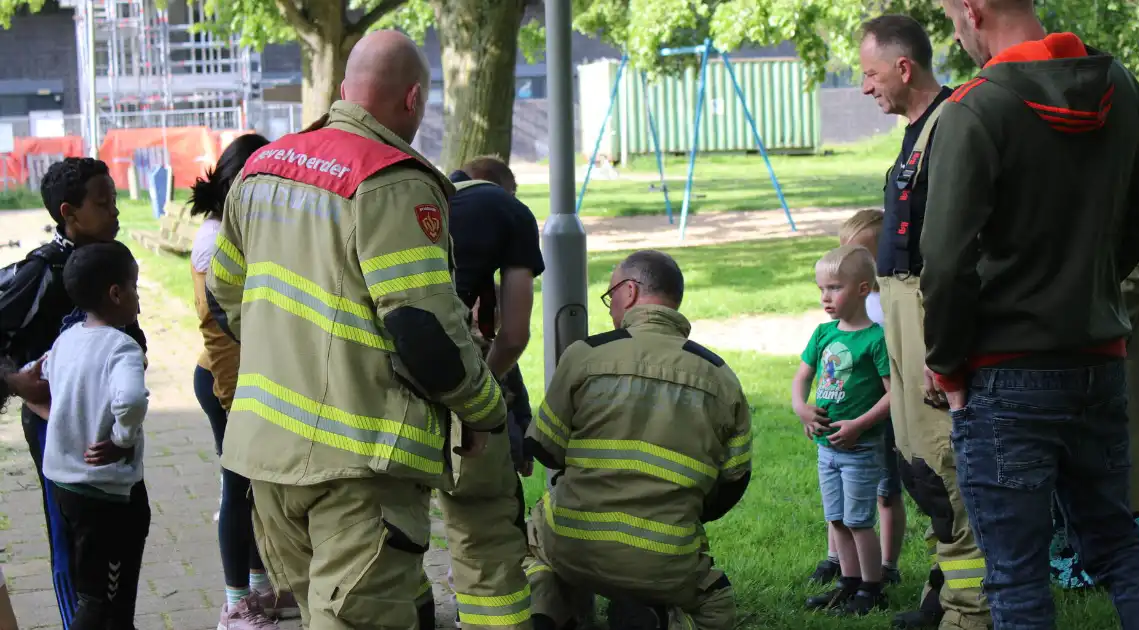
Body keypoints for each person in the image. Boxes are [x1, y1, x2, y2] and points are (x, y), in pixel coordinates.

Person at [205, 29, 507, 629]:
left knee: (322, 614)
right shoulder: (392, 182)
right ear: (414, 98)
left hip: (266, 457)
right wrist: (482, 411)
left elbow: (224, 292)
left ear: (344, 90)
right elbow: (423, 332)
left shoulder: (261, 169)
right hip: (359, 466)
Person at [922, 1, 1139, 628]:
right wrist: (1084, 295)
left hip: (1004, 373)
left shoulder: (973, 108)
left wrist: (947, 367)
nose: (956, 35)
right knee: (1120, 549)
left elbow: (946, 264)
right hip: (1100, 362)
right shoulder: (1120, 86)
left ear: (972, 9)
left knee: (1014, 578)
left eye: (952, 18)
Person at [524, 250, 752, 630]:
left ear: (629, 292)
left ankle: (545, 610)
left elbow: (546, 449)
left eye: (611, 294)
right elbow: (733, 481)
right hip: (664, 560)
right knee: (717, 604)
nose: (611, 306)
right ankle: (656, 617)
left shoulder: (584, 356)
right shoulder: (721, 377)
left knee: (529, 542)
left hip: (573, 545)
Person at [858, 14, 990, 630]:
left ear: (904, 68)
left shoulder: (953, 125)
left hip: (929, 322)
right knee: (917, 466)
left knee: (945, 467)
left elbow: (955, 256)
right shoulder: (918, 129)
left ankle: (972, 612)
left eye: (870, 73)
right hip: (902, 321)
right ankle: (946, 592)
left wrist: (945, 350)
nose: (865, 87)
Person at [0, 158, 148, 629]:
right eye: (104, 204)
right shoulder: (40, 273)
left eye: (116, 201)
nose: (116, 213)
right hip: (57, 432)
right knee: (73, 543)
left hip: (111, 437)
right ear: (69, 212)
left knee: (123, 534)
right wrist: (14, 380)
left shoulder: (114, 259)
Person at [188, 132, 301, 630]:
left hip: (241, 380)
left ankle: (260, 590)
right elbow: (219, 333)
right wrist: (237, 402)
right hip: (225, 382)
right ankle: (235, 604)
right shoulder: (215, 242)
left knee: (254, 487)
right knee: (237, 488)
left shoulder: (231, 229)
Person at [441, 155, 544, 629]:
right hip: (450, 368)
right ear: (505, 190)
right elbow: (513, 338)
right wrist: (482, 397)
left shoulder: (419, 195)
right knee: (483, 520)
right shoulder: (506, 209)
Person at [1050, 219, 1139, 587]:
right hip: (1051, 348)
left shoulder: (1121, 166)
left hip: (1122, 335)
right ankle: (1073, 563)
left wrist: (1089, 321)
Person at [41, 241, 150, 630]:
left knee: (91, 590)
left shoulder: (66, 339)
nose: (138, 298)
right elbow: (132, 398)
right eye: (134, 286)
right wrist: (122, 439)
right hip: (106, 498)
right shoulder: (123, 348)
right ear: (116, 293)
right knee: (106, 605)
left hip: (64, 487)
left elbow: (47, 375)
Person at [803, 209, 906, 588]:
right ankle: (839, 561)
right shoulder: (834, 315)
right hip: (840, 421)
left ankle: (886, 565)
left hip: (882, 413)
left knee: (884, 490)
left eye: (858, 252)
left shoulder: (894, 297)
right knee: (840, 501)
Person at [794, 244, 891, 616]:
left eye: (834, 288)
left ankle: (871, 588)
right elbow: (801, 378)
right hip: (827, 448)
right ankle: (848, 583)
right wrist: (803, 410)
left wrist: (859, 424)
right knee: (835, 519)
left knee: (858, 521)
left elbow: (893, 394)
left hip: (861, 448)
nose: (825, 297)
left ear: (864, 289)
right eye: (822, 289)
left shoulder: (875, 339)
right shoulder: (823, 333)